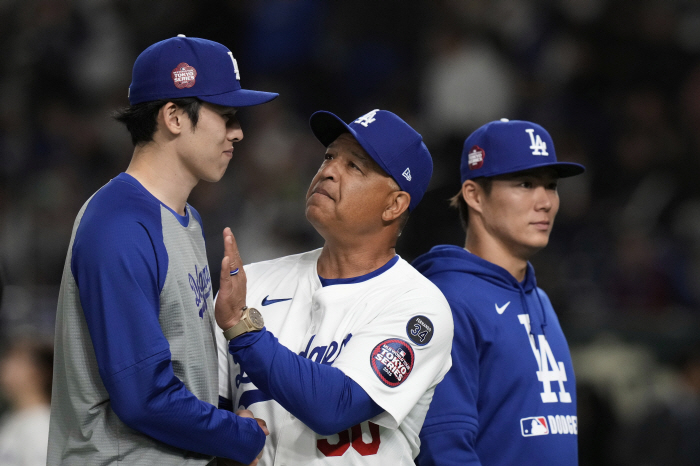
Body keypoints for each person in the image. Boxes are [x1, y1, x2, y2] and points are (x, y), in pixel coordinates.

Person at [47, 35, 278, 465]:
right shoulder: (118, 224)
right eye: (226, 115)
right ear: (173, 116)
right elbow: (144, 397)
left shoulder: (183, 218)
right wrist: (238, 434)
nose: (238, 132)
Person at [213, 109, 454, 465]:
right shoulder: (252, 282)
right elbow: (205, 408)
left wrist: (242, 328)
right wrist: (225, 437)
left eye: (354, 166)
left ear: (394, 204)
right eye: (329, 156)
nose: (327, 170)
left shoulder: (418, 307)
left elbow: (333, 406)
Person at [413, 119, 585, 466]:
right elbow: (443, 450)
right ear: (474, 194)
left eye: (551, 186)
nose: (546, 202)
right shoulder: (448, 300)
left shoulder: (541, 300)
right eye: (525, 183)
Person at [0, 339, 53, 466]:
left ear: (40, 373)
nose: (5, 367)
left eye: (17, 362)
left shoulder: (41, 425)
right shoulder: (13, 418)